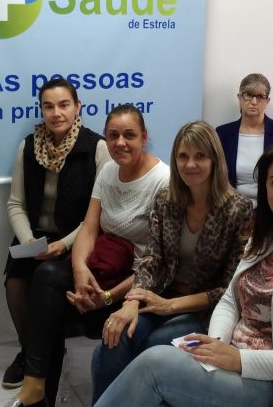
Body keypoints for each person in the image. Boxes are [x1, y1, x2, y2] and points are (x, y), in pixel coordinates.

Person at [95, 139, 273, 407]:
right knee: (125, 358)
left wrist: (238, 359)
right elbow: (231, 300)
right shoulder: (268, 236)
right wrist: (217, 345)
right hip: (232, 356)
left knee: (154, 364)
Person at [10, 104, 170, 407]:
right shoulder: (109, 170)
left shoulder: (163, 181)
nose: (120, 142)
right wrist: (80, 269)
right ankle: (37, 387)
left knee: (53, 303)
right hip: (102, 267)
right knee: (47, 277)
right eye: (113, 135)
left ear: (144, 137)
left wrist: (106, 297)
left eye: (129, 135)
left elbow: (158, 264)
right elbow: (89, 227)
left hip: (137, 283)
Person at [91, 121, 254, 402]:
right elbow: (152, 259)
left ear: (215, 160)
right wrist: (131, 303)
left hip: (205, 310)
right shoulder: (166, 199)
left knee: (153, 347)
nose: (190, 164)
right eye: (183, 156)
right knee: (111, 340)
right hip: (161, 296)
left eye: (200, 156)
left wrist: (170, 306)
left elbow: (232, 289)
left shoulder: (237, 209)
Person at [1, 78, 111, 389]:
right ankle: (31, 352)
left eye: (64, 105)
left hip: (79, 237)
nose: (56, 113)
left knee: (45, 278)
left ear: (78, 107)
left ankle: (41, 355)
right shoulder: (28, 147)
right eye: (48, 106)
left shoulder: (97, 147)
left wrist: (64, 244)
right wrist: (27, 240)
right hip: (35, 237)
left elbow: (99, 212)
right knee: (15, 283)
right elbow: (16, 204)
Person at [215, 73, 273, 203]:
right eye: (248, 95)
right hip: (232, 205)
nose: (253, 102)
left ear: (267, 101)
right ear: (239, 98)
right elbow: (216, 177)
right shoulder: (222, 134)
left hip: (272, 205)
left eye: (260, 97)